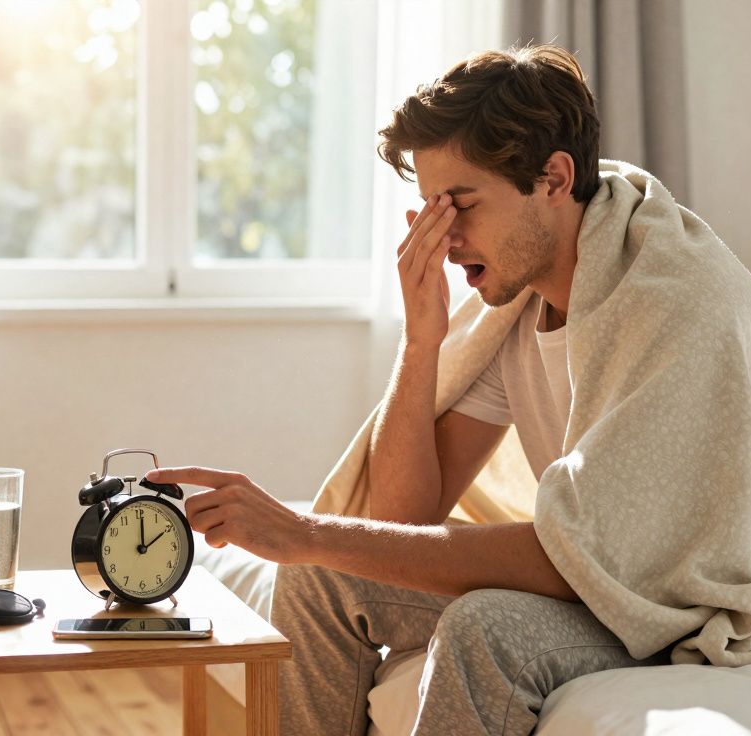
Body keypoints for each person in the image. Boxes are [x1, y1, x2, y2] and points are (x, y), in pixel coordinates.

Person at [143, 45, 665, 735]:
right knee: (319, 572)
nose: (443, 239)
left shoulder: (658, 302)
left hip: (664, 606)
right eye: (430, 211)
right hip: (596, 587)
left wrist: (303, 529)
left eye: (462, 205)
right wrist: (423, 344)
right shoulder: (513, 313)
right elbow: (402, 519)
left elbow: (595, 558)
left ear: (554, 179)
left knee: (481, 626)